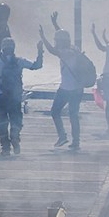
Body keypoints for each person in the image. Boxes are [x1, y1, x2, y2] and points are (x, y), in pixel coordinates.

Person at [0, 38, 43, 156]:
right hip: (15, 96)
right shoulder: (20, 61)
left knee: (2, 122)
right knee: (16, 119)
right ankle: (15, 137)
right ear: (13, 48)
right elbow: (36, 66)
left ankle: (5, 148)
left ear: (3, 48)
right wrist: (40, 51)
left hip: (1, 96)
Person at [39, 22, 84, 151]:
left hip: (67, 88)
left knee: (55, 111)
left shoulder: (66, 53)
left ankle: (63, 136)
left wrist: (43, 37)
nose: (56, 43)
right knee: (73, 114)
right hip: (77, 88)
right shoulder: (74, 49)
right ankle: (75, 141)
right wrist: (55, 25)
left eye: (57, 41)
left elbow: (52, 50)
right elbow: (63, 39)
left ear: (61, 41)